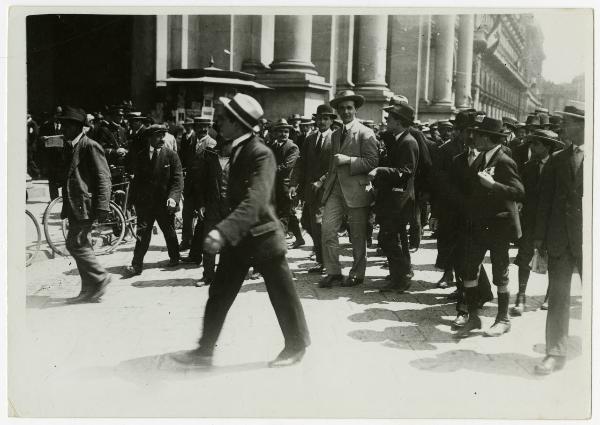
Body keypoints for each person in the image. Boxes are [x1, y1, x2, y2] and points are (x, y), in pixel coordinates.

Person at [174, 93, 310, 368]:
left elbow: (255, 200)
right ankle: (204, 350)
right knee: (219, 293)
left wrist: (223, 231)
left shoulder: (261, 153)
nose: (218, 124)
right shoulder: (237, 148)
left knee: (282, 295)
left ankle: (296, 346)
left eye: (223, 119)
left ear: (238, 124)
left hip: (263, 239)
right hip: (239, 239)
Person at [456, 117, 524, 338]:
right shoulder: (481, 159)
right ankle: (474, 317)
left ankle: (503, 319)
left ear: (487, 138)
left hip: (498, 226)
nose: (473, 137)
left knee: (500, 273)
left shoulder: (504, 160)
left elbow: (519, 192)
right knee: (468, 268)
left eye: (477, 134)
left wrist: (494, 185)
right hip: (478, 226)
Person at [533, 105, 584, 375]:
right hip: (560, 240)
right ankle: (555, 351)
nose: (563, 128)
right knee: (559, 298)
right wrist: (539, 239)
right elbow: (544, 202)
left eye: (569, 123)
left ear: (585, 125)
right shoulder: (557, 159)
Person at [317, 90, 379, 288]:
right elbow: (332, 164)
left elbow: (372, 161)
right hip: (335, 190)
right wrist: (325, 185)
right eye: (342, 108)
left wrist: (348, 160)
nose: (345, 111)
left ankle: (357, 273)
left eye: (349, 108)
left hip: (356, 191)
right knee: (327, 230)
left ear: (355, 109)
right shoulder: (336, 134)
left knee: (358, 235)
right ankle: (333, 272)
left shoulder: (365, 133)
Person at [58, 106, 112, 303]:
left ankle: (100, 277)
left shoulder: (90, 146)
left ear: (76, 127)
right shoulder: (71, 146)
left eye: (65, 125)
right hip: (75, 205)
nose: (62, 128)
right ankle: (88, 289)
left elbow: (103, 177)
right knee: (81, 244)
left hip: (85, 205)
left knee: (75, 243)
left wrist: (103, 206)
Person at [510, 130, 562, 316]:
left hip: (552, 223)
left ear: (547, 146)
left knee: (554, 259)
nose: (531, 147)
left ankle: (550, 295)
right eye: (531, 144)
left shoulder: (559, 167)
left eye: (536, 144)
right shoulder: (527, 167)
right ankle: (521, 296)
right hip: (531, 221)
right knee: (524, 258)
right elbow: (521, 192)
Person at [369, 103, 418, 292]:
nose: (386, 121)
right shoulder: (398, 139)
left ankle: (402, 276)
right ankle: (398, 274)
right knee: (393, 238)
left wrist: (380, 170)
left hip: (399, 199)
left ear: (399, 122)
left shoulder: (408, 142)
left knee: (389, 239)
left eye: (389, 118)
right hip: (392, 198)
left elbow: (406, 171)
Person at [124, 125, 183, 277]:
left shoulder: (171, 155)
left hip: (165, 203)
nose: (162, 139)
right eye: (158, 136)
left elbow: (177, 180)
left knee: (169, 231)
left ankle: (175, 257)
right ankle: (136, 265)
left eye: (163, 135)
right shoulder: (141, 155)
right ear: (149, 138)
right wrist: (131, 201)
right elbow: (136, 181)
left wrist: (173, 198)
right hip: (145, 204)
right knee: (142, 234)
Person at [290, 104, 335, 274]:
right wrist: (294, 183)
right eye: (319, 118)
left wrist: (321, 181)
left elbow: (334, 166)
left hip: (326, 189)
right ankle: (320, 255)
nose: (322, 122)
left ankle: (324, 262)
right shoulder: (310, 139)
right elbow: (301, 163)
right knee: (306, 223)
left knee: (318, 224)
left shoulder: (335, 139)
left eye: (326, 118)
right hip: (309, 190)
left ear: (331, 121)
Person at [180, 117, 216, 251]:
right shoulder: (190, 141)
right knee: (187, 214)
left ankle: (202, 245)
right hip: (190, 185)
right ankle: (186, 241)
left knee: (203, 217)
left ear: (209, 127)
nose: (202, 129)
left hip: (203, 187)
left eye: (205, 126)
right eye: (199, 126)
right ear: (195, 127)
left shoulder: (212, 143)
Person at [269, 119, 304, 247]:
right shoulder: (272, 145)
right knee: (288, 213)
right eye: (280, 131)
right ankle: (300, 239)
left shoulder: (292, 147)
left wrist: (267, 169)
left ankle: (279, 243)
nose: (283, 134)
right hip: (274, 185)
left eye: (286, 131)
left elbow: (286, 167)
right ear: (275, 133)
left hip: (286, 186)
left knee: (283, 214)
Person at [38, 106, 65, 200]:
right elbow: (39, 139)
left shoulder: (66, 125)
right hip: (51, 156)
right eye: (57, 114)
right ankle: (54, 199)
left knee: (64, 178)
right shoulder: (46, 125)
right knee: (52, 178)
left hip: (63, 156)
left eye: (60, 114)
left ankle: (66, 198)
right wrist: (43, 139)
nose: (58, 116)